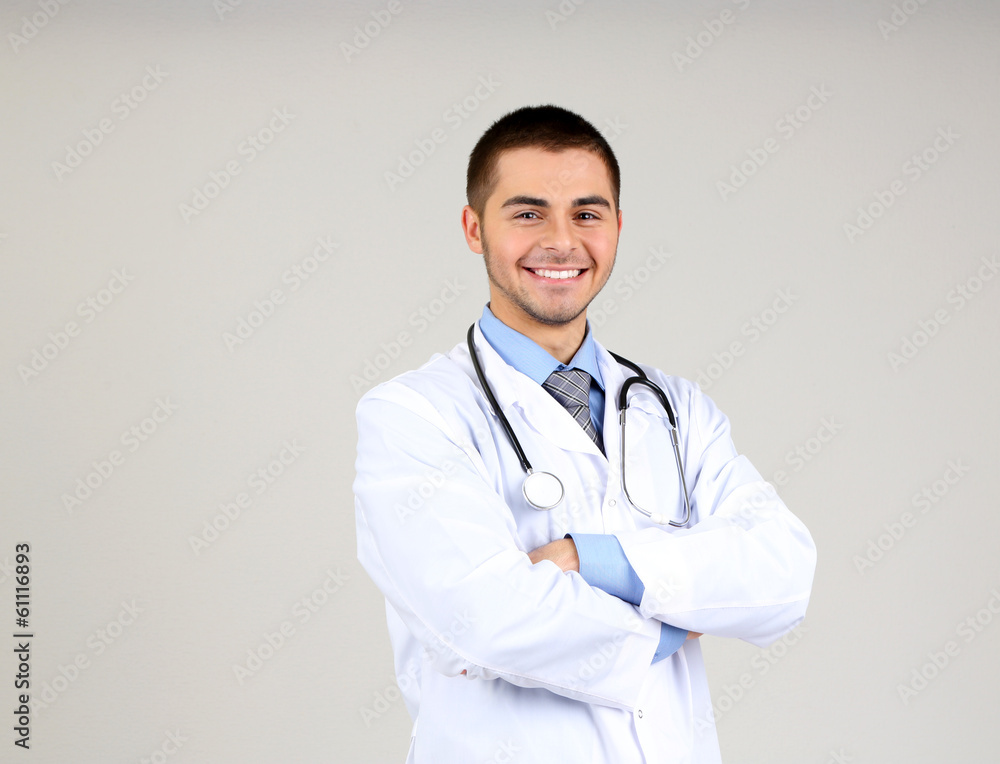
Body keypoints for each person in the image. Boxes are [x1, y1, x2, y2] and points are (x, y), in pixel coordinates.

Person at [354, 105, 816, 763]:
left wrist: (587, 557)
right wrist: (678, 615)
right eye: (527, 213)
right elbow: (487, 619)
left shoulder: (679, 410)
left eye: (587, 214)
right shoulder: (413, 414)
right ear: (473, 228)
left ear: (618, 227)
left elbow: (781, 574)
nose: (561, 241)